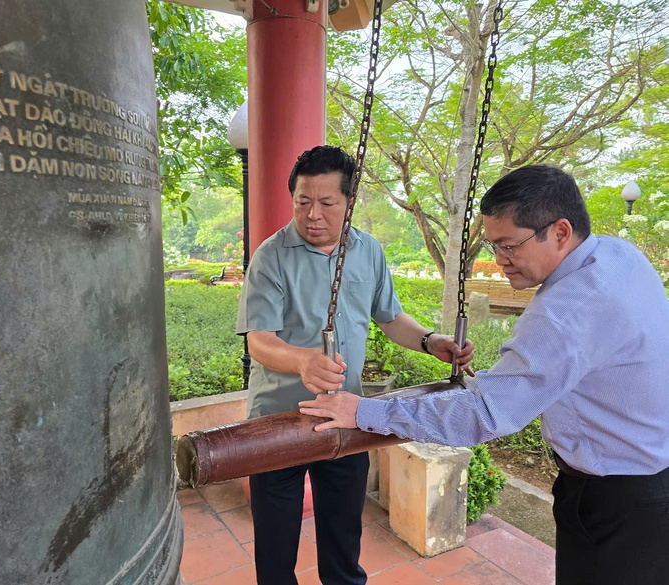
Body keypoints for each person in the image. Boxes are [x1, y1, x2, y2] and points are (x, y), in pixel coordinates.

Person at [299, 164, 669, 585]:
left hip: (616, 499)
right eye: (494, 245)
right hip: (650, 478)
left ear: (561, 232)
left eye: (509, 246)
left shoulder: (566, 311)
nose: (499, 261)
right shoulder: (618, 255)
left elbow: (486, 415)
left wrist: (365, 411)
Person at [237, 145, 474, 585]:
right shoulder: (270, 256)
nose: (312, 214)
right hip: (278, 420)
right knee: (274, 546)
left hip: (347, 415)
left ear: (349, 202)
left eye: (327, 203)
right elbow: (260, 341)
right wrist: (303, 361)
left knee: (344, 539)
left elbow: (389, 317)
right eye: (303, 202)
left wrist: (429, 340)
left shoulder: (368, 252)